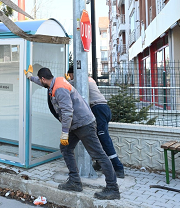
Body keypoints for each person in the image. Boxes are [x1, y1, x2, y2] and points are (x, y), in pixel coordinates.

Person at [25, 66, 120, 200]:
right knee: (66, 148)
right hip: (76, 125)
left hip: (84, 124)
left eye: (40, 80)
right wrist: (30, 77)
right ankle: (75, 181)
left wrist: (64, 132)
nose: (40, 83)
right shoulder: (57, 80)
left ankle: (112, 188)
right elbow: (42, 82)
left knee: (98, 154)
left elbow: (67, 112)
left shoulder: (59, 89)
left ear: (43, 79)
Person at [67, 66, 125, 178]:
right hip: (104, 108)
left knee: (104, 139)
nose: (70, 77)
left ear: (73, 73)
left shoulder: (80, 80)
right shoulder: (90, 79)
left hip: (98, 109)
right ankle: (100, 163)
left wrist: (68, 80)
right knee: (98, 138)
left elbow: (67, 86)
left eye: (70, 75)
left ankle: (118, 168)